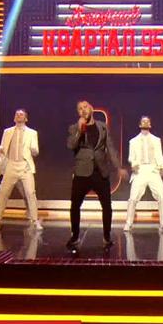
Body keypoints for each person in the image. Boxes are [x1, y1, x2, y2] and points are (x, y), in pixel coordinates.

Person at [66, 100, 125, 249]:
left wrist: (118, 167)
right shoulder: (74, 128)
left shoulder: (102, 126)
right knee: (75, 206)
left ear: (91, 108)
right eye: (80, 109)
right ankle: (75, 236)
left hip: (100, 171)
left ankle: (107, 236)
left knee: (107, 206)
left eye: (85, 107)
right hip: (82, 172)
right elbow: (71, 145)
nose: (83, 110)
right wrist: (80, 130)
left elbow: (110, 148)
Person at [0, 109, 42, 230]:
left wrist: (34, 150)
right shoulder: (7, 132)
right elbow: (3, 149)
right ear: (14, 118)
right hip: (11, 165)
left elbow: (35, 151)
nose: (19, 116)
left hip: (25, 166)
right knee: (3, 193)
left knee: (30, 193)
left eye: (21, 114)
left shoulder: (32, 133)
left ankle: (34, 220)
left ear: (26, 118)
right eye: (17, 114)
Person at [125, 116, 163, 232]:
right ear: (140, 124)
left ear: (150, 124)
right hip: (140, 170)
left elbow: (159, 155)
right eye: (143, 121)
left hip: (153, 170)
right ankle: (128, 223)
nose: (145, 123)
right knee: (133, 198)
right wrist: (134, 164)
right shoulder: (133, 141)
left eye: (147, 121)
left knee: (161, 196)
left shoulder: (156, 140)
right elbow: (131, 157)